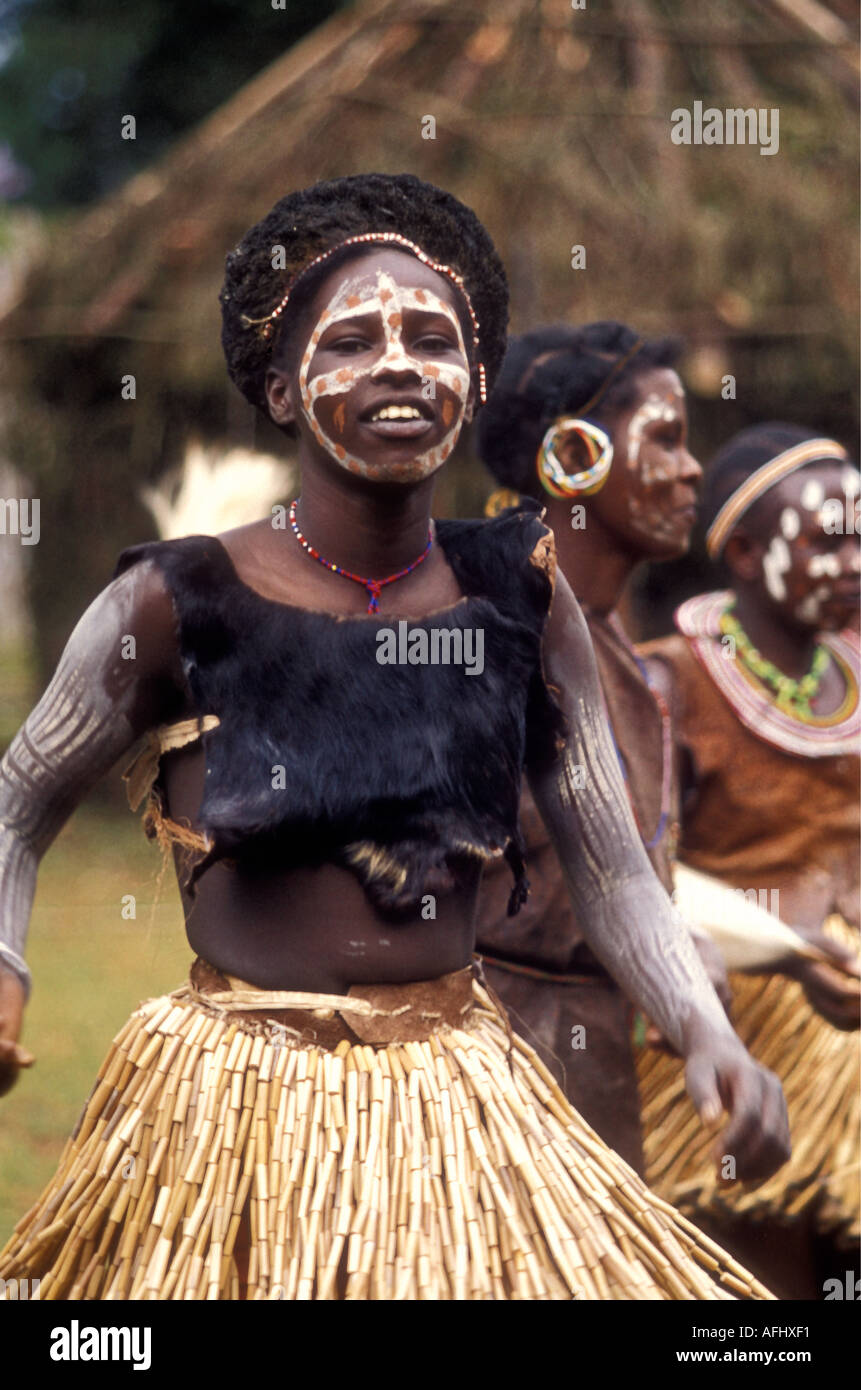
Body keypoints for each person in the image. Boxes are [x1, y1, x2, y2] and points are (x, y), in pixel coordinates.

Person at [0, 175, 788, 1301]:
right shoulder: (178, 598)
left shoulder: (522, 593)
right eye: (355, 339)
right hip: (234, 1099)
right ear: (281, 388)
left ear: (472, 387)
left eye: (433, 339)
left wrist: (705, 1030)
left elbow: (614, 870)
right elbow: (17, 801)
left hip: (457, 1090)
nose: (402, 365)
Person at [636, 423, 860, 1298]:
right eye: (825, 540)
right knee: (756, 1299)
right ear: (740, 551)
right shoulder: (669, 684)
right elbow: (634, 875)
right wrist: (782, 939)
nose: (851, 560)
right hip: (736, 1030)